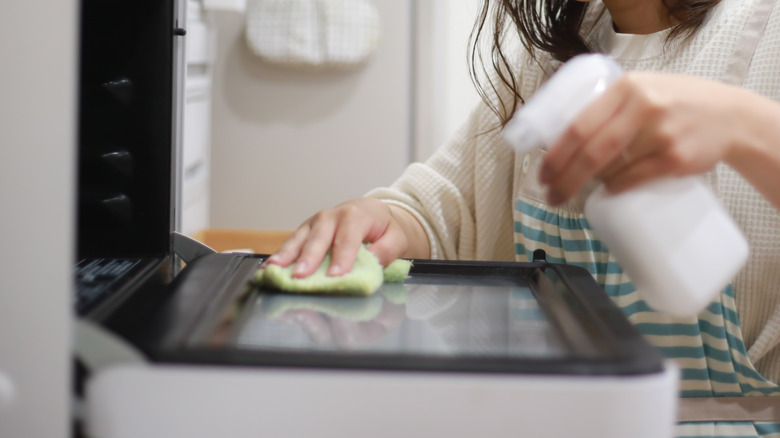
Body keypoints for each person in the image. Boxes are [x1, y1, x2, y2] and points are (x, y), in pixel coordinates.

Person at [267, 0, 780, 435]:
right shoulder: (551, 58)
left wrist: (746, 129)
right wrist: (386, 219)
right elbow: (451, 204)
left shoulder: (765, 35)